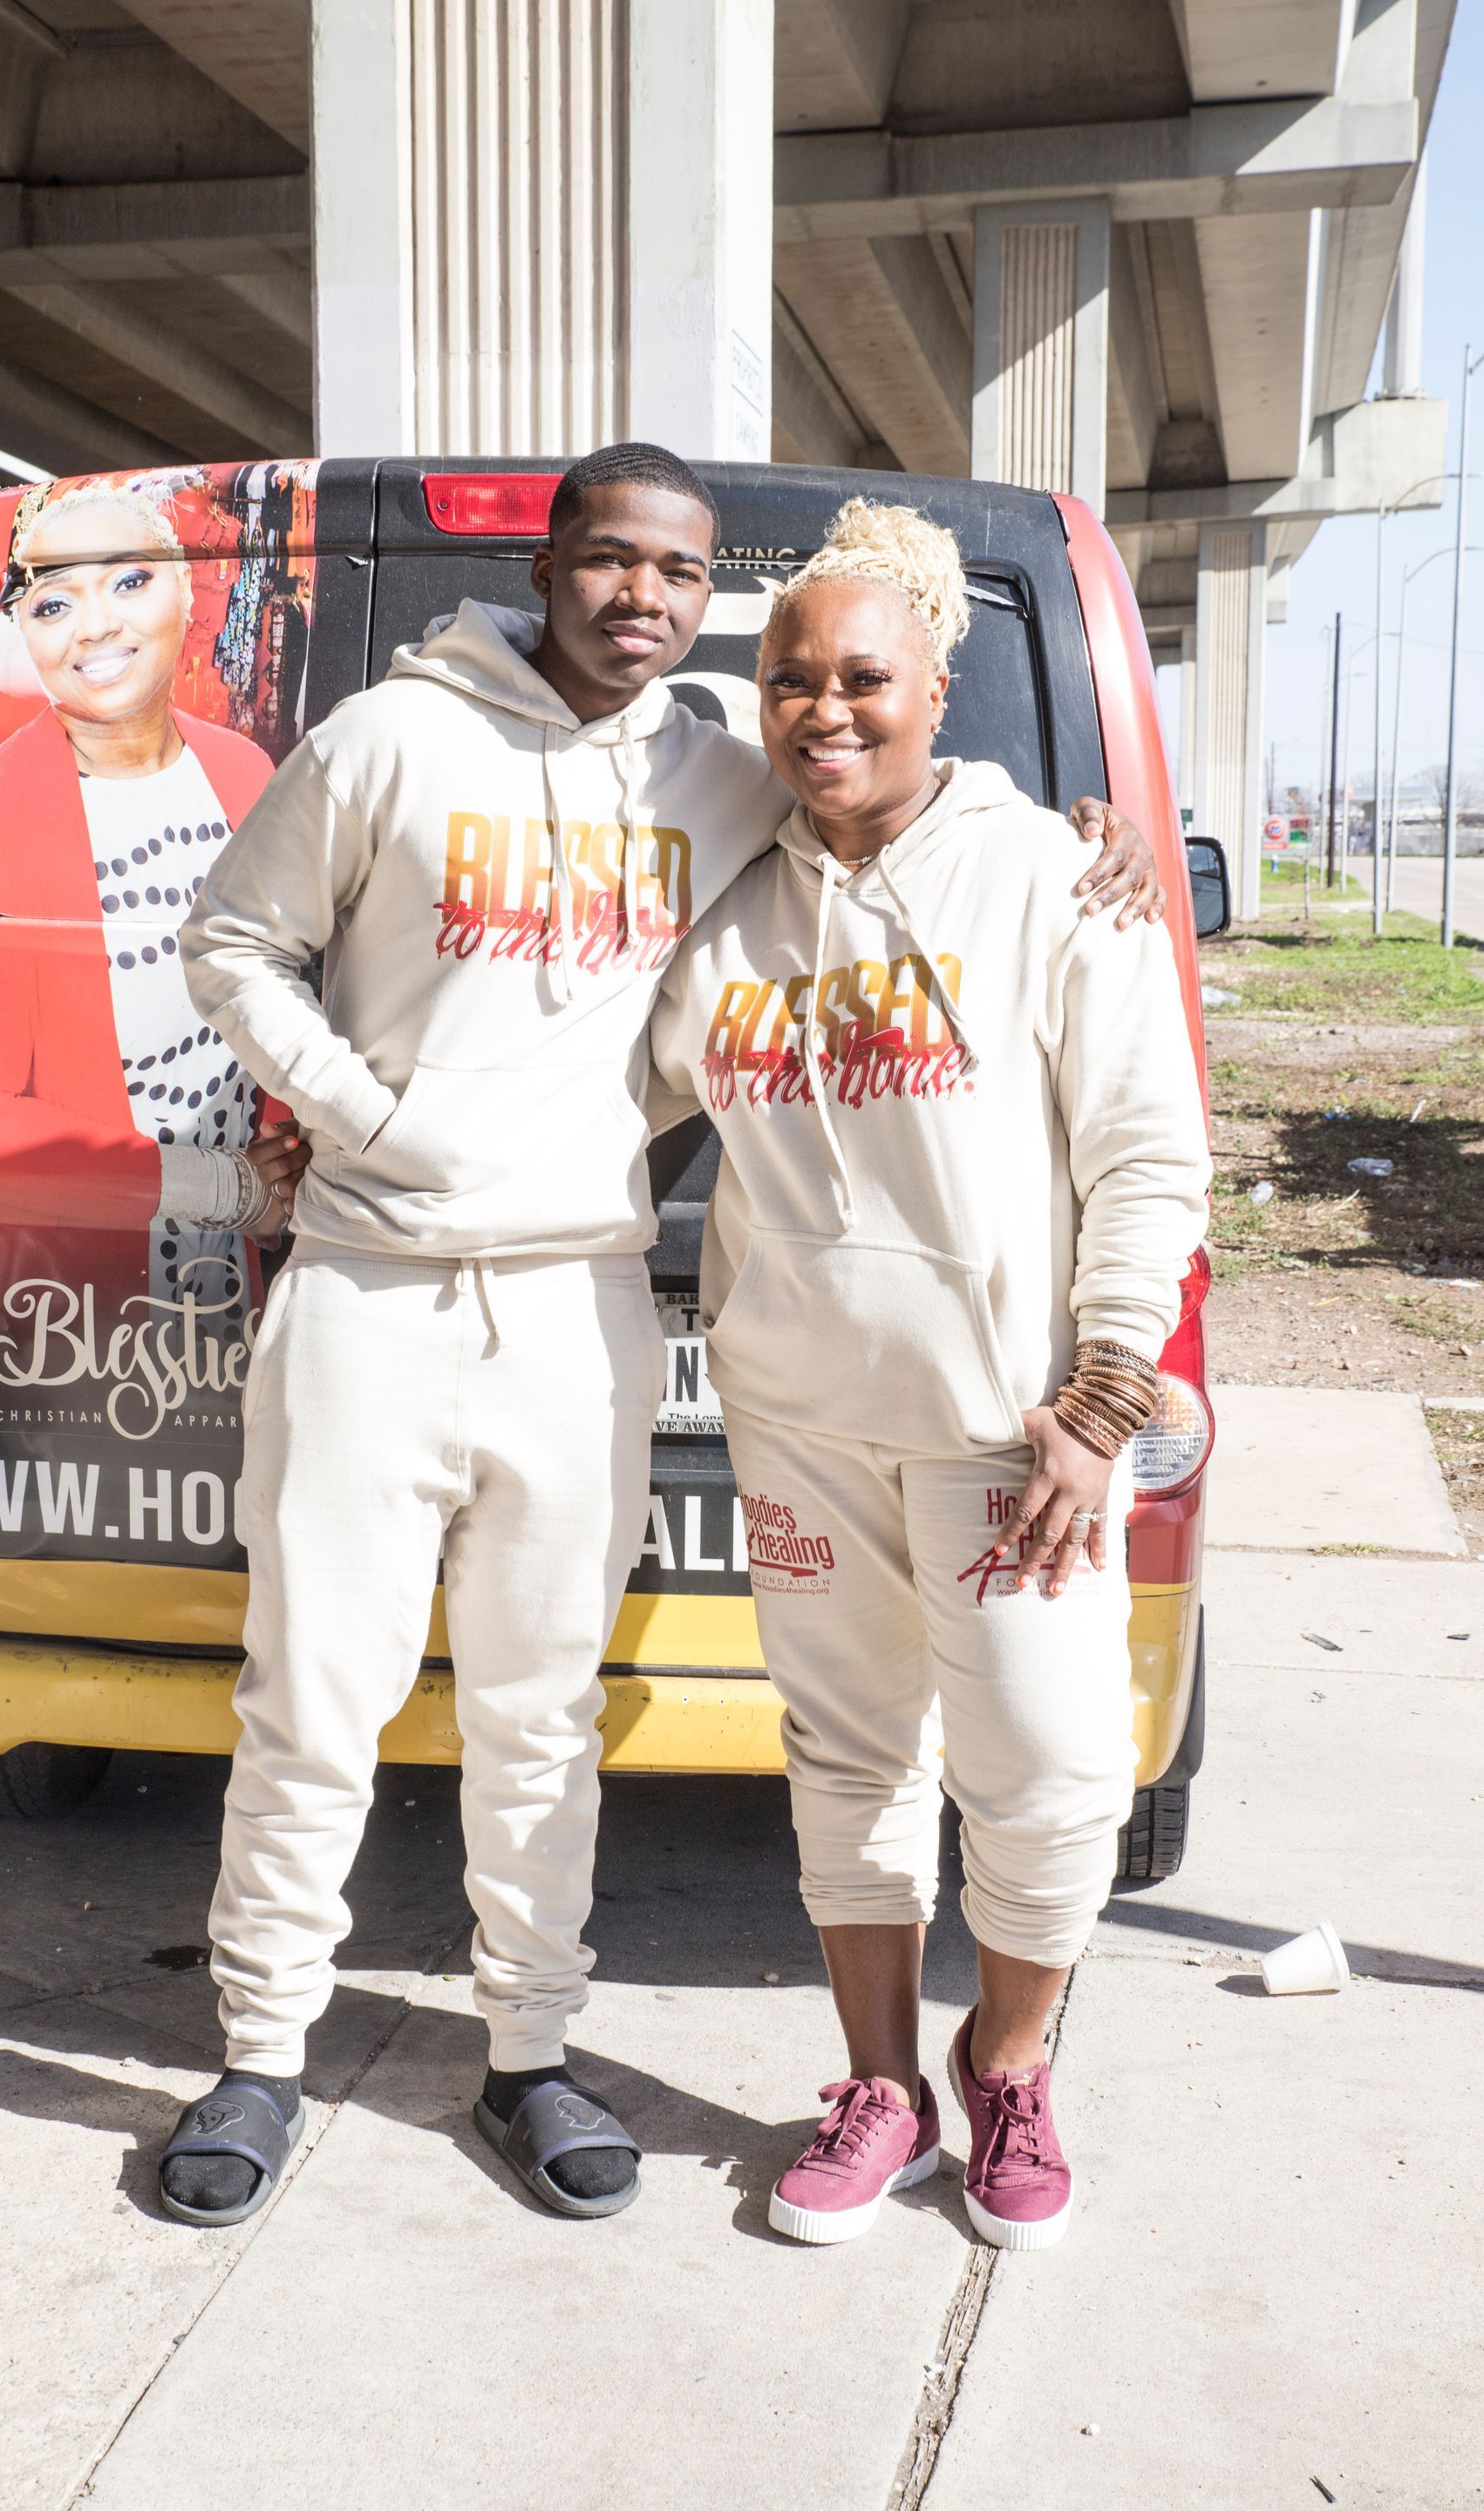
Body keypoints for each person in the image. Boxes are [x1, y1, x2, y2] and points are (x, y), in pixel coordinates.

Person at [164, 443, 1167, 2229]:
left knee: (563, 1718)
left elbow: (935, 847)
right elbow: (235, 942)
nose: (644, 596)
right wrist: (366, 1115)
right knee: (312, 1704)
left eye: (679, 573)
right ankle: (259, 2054)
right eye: (612, 559)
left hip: (617, 1314)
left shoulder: (770, 796)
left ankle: (551, 2056)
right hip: (388, 1295)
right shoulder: (434, 752)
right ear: (551, 565)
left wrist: (1090, 850)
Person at [650, 499, 1210, 2251]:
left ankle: (1012, 2061)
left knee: (1049, 1771)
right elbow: (579, 1103)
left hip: (1010, 1437)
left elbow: (1147, 1154)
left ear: (940, 684)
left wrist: (1104, 1402)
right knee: (847, 1762)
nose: (824, 709)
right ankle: (878, 2083)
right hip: (803, 1424)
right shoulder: (730, 923)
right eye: (790, 678)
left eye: (863, 677)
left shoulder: (1054, 872)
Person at [0, 480, 308, 1387]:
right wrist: (234, 1190)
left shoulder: (243, 770)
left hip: (247, 1290)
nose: (93, 627)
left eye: (127, 583)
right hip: (51, 1325)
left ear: (186, 594)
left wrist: (290, 1159)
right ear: (26, 634)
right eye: (53, 602)